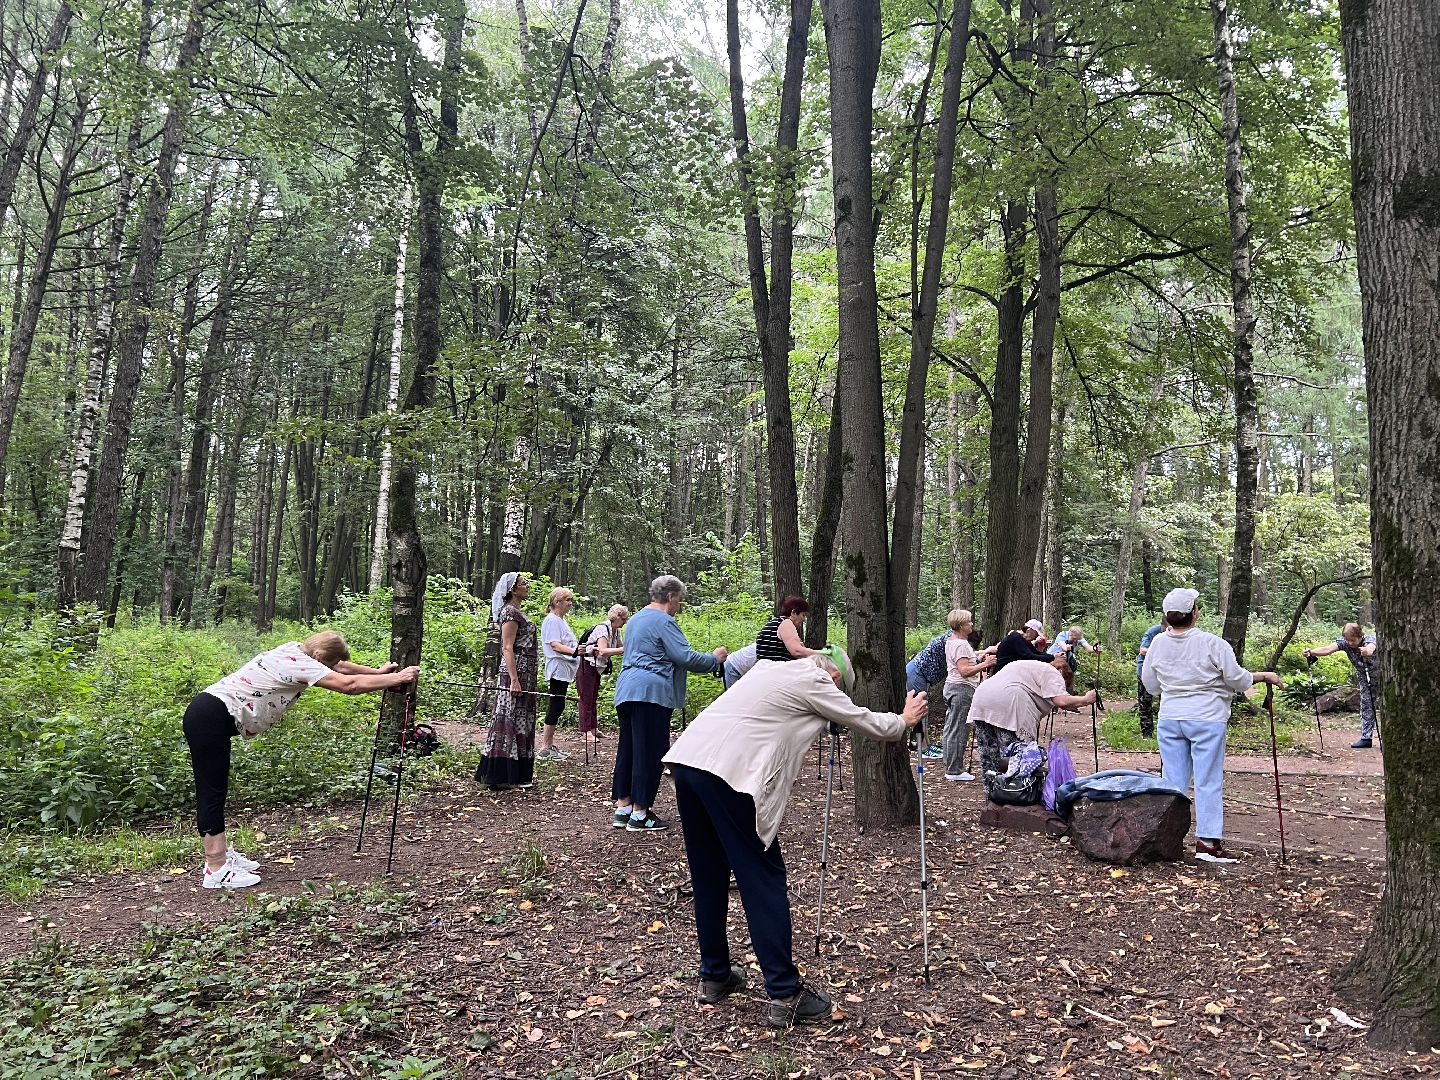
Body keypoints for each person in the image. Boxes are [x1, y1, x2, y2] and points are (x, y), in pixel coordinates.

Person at [663, 648, 927, 1027]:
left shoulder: (768, 670)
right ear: (835, 675)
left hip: (689, 763)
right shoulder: (815, 680)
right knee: (762, 880)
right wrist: (903, 720)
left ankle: (715, 975)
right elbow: (865, 722)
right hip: (731, 777)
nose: (838, 690)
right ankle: (785, 992)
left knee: (708, 875)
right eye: (842, 685)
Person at [184, 631, 418, 889]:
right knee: (212, 791)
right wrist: (396, 678)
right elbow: (348, 685)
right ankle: (215, 869)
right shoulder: (301, 663)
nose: (330, 669)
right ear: (318, 657)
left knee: (215, 789)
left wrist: (377, 673)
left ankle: (222, 858)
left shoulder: (298, 648)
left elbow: (340, 666)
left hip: (210, 712)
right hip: (209, 718)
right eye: (326, 665)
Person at [1141, 587, 1283, 864]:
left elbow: (1151, 686)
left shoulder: (1157, 643)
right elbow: (1238, 680)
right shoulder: (1212, 643)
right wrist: (1264, 675)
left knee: (1172, 780)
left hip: (1170, 718)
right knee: (1207, 780)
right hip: (1207, 718)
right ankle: (1207, 844)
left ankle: (1169, 839)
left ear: (1168, 617)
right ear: (1194, 613)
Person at [610, 575, 727, 831]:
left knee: (628, 748)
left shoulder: (637, 619)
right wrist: (714, 659)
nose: (680, 606)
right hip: (651, 692)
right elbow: (684, 656)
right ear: (671, 597)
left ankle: (623, 807)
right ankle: (640, 814)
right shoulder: (664, 620)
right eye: (680, 600)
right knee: (650, 750)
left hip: (627, 689)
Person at [969, 654, 1096, 776]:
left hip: (981, 699)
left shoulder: (1027, 666)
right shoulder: (1053, 672)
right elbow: (1061, 700)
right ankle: (1013, 792)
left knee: (989, 755)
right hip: (1008, 703)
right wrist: (1086, 699)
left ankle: (991, 791)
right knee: (1013, 757)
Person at [476, 572, 540, 790]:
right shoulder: (510, 613)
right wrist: (514, 679)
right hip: (516, 672)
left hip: (527, 674)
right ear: (513, 589)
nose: (527, 586)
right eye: (524, 584)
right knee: (510, 718)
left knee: (523, 720)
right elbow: (507, 647)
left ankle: (520, 773)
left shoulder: (517, 611)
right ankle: (502, 774)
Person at [941, 609, 995, 782]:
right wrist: (985, 664)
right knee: (958, 730)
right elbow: (964, 670)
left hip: (953, 687)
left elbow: (965, 659)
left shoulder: (953, 641)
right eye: (969, 622)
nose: (971, 624)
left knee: (951, 728)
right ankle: (954, 770)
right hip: (961, 689)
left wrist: (984, 652)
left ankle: (950, 765)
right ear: (961, 625)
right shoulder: (961, 644)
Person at [1305, 624, 1379, 748]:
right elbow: (1327, 649)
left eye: (1353, 640)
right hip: (1365, 679)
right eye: (1347, 640)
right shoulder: (1344, 644)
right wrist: (1311, 652)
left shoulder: (1369, 640)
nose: (1350, 643)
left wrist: (1366, 651)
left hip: (1384, 677)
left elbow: (1370, 648)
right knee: (1366, 705)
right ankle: (1366, 738)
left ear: (1360, 636)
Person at [537, 587, 585, 762]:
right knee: (556, 705)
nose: (570, 603)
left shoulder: (560, 620)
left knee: (558, 705)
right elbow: (555, 645)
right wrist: (575, 651)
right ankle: (545, 747)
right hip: (557, 668)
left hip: (565, 670)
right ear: (557, 602)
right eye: (567, 600)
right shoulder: (552, 620)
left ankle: (549, 746)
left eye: (571, 600)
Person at [576, 605, 628, 754]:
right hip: (587, 665)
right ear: (616, 617)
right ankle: (585, 732)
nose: (625, 622)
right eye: (623, 618)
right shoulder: (602, 629)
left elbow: (620, 646)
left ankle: (593, 728)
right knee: (586, 698)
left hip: (597, 668)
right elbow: (603, 651)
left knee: (593, 698)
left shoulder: (616, 631)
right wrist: (624, 649)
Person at [904, 629, 952, 758]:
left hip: (921, 675)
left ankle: (926, 745)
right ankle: (922, 748)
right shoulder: (950, 638)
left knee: (923, 709)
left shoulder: (954, 639)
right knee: (920, 710)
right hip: (916, 673)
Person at [755, 595, 815, 662]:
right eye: (803, 615)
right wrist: (823, 653)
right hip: (776, 669)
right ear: (793, 613)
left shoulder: (775, 623)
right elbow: (797, 651)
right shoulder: (786, 623)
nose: (804, 619)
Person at [1135, 620, 1164, 739]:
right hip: (1145, 672)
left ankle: (1165, 733)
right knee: (1145, 703)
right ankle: (1147, 733)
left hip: (1163, 673)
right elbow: (1143, 650)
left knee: (1166, 702)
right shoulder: (1153, 632)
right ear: (1163, 625)